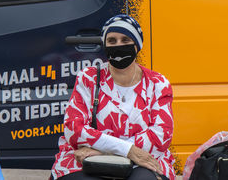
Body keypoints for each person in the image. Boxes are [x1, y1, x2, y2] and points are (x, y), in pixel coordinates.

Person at [51, 14, 175, 180]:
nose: (118, 45)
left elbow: (161, 136)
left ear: (137, 45)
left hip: (142, 159)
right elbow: (74, 129)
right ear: (105, 45)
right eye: (112, 41)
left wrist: (105, 150)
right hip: (87, 159)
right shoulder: (89, 78)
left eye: (125, 40)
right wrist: (127, 150)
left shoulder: (157, 83)